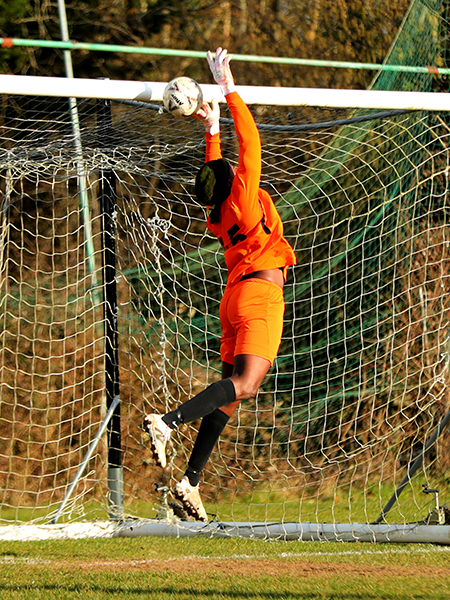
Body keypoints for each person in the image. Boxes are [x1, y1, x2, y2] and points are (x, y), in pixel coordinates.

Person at [144, 47, 296, 522]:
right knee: (247, 385)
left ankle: (190, 482)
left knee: (230, 393)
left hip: (233, 298)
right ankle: (168, 421)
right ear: (233, 180)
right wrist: (228, 89)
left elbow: (215, 171)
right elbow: (251, 143)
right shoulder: (243, 199)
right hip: (260, 294)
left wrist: (211, 131)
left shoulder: (217, 212)